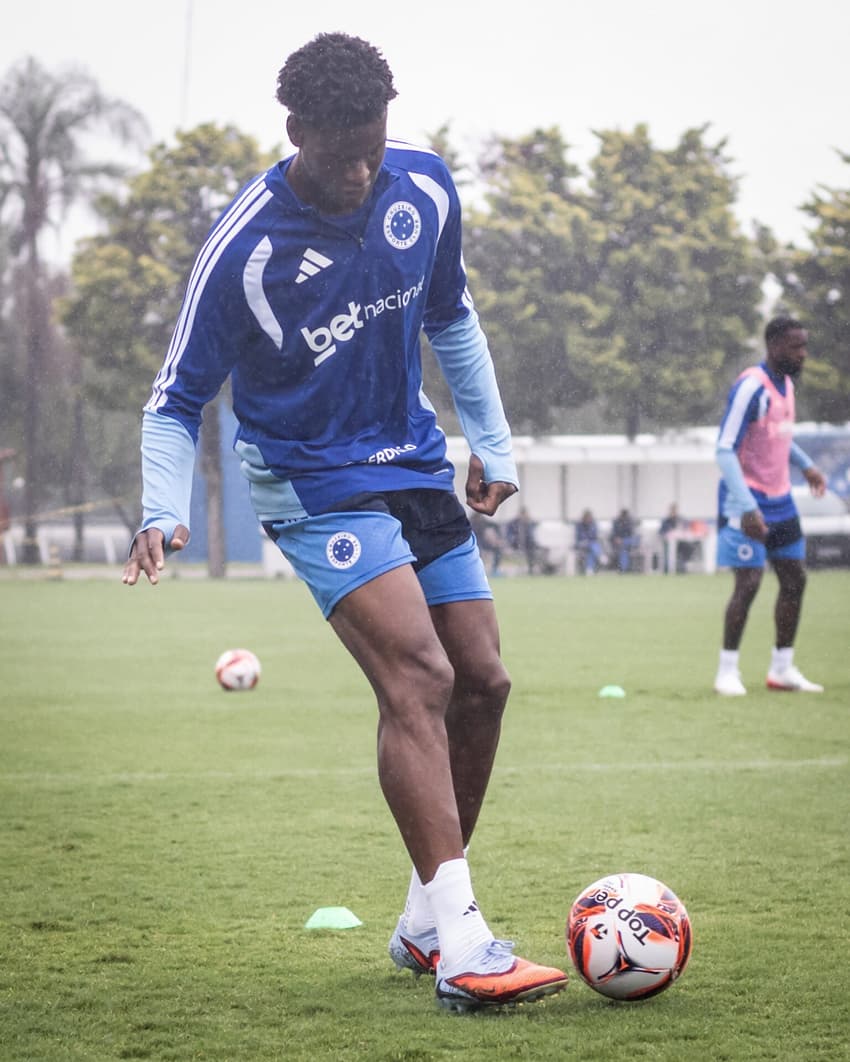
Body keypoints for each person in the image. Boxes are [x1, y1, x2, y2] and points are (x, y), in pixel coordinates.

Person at [122, 33, 566, 1011]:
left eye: (374, 147)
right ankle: (464, 946)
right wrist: (164, 507)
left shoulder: (424, 190)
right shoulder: (244, 247)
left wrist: (491, 443)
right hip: (310, 479)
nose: (361, 173)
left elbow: (450, 316)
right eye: (340, 156)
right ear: (296, 133)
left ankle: (421, 922)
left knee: (484, 683)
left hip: (409, 458)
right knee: (420, 673)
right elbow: (173, 398)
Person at [713, 315, 826, 696]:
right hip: (746, 501)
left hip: (781, 501)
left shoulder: (787, 386)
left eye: (804, 346)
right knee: (749, 583)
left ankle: (782, 668)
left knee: (795, 579)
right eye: (796, 346)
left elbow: (777, 436)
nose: (803, 354)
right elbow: (725, 448)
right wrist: (746, 506)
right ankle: (727, 671)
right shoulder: (751, 387)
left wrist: (806, 466)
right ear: (774, 345)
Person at [659, 503, 698, 573]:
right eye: (673, 510)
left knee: (689, 547)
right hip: (667, 543)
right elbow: (661, 532)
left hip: (680, 543)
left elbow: (687, 528)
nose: (674, 512)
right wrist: (668, 532)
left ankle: (682, 566)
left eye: (675, 510)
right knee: (670, 551)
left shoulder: (681, 519)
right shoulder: (666, 521)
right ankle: (669, 569)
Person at [468, 510, 504, 576]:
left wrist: (497, 539)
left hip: (484, 543)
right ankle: (476, 571)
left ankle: (494, 569)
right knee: (478, 552)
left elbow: (495, 525)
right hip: (473, 544)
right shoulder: (470, 523)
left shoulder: (483, 521)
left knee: (497, 549)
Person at [505, 506, 538, 574]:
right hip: (515, 544)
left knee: (531, 550)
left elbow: (533, 535)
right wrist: (513, 540)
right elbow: (509, 535)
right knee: (529, 549)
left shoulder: (530, 523)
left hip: (528, 545)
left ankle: (530, 569)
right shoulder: (513, 523)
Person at [574, 509, 605, 574]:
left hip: (590, 544)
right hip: (581, 543)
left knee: (590, 551)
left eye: (589, 518)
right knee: (592, 545)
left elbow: (594, 536)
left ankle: (589, 568)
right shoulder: (579, 525)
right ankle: (600, 555)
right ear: (584, 518)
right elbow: (580, 536)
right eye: (587, 518)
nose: (588, 519)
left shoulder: (593, 525)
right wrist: (587, 539)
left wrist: (589, 538)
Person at [610, 508, 640, 573]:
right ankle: (624, 569)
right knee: (623, 550)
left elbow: (632, 533)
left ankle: (624, 569)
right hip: (620, 543)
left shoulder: (630, 522)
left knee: (625, 545)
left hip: (629, 541)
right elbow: (613, 534)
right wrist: (617, 538)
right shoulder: (616, 522)